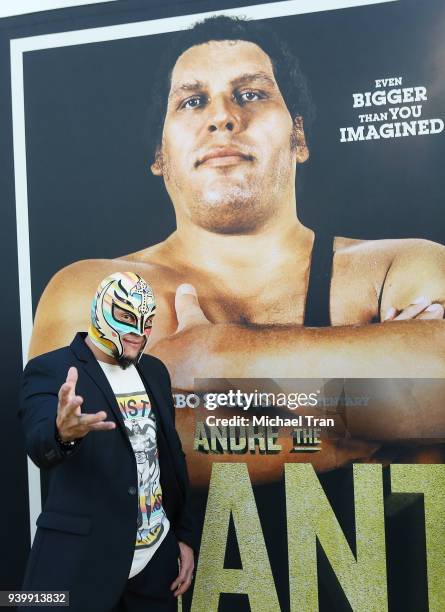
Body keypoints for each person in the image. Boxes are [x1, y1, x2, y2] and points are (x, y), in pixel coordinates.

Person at [28, 16, 445, 482]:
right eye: (193, 100)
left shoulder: (395, 267)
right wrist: (339, 432)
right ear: (159, 154)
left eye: (251, 94)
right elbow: (99, 447)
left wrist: (212, 355)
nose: (223, 116)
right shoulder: (95, 288)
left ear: (299, 136)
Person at [19, 272, 195, 612]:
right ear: (100, 309)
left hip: (155, 565)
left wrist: (183, 536)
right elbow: (38, 442)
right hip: (82, 565)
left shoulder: (155, 371)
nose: (138, 333)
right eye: (128, 317)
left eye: (147, 321)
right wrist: (62, 432)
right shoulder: (52, 368)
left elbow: (169, 459)